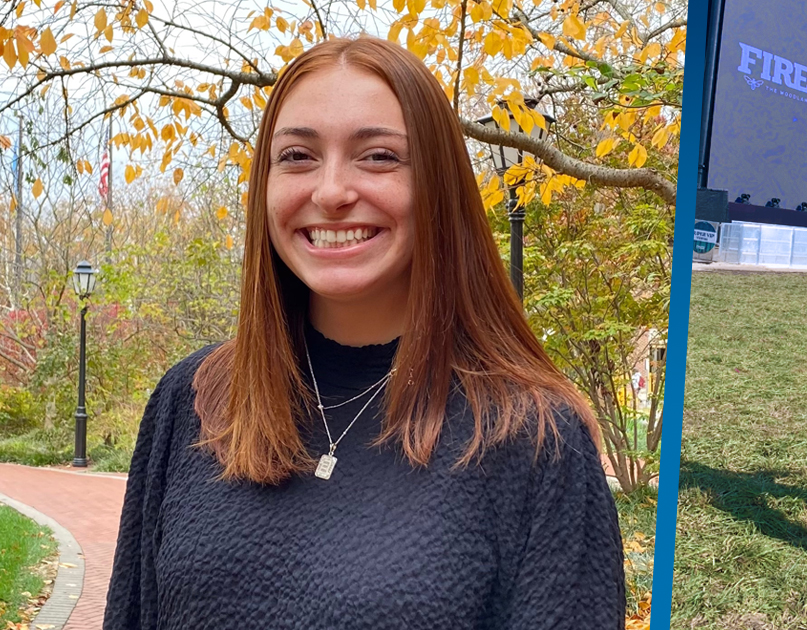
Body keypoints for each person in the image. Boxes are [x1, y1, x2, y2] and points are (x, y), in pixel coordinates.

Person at [103, 37, 625, 630]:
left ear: (440, 188)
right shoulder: (192, 401)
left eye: (378, 157)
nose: (330, 192)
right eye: (297, 156)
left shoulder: (533, 437)